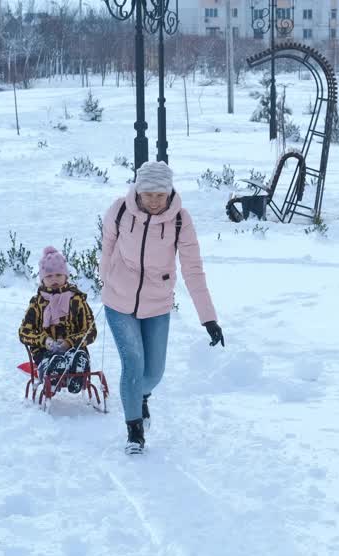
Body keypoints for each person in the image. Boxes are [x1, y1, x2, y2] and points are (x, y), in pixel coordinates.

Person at [102, 160, 224, 455]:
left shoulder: (180, 220)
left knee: (153, 372)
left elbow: (193, 270)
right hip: (119, 302)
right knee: (133, 364)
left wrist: (208, 318)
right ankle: (135, 432)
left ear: (169, 192)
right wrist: (107, 278)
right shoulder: (119, 210)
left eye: (160, 194)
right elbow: (107, 245)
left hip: (157, 304)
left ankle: (141, 395)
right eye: (148, 194)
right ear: (138, 190)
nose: (155, 201)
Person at [19, 247, 98, 393]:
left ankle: (77, 372)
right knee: (52, 359)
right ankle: (53, 372)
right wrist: (45, 341)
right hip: (45, 351)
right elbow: (24, 332)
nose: (54, 279)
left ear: (66, 276)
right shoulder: (37, 303)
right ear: (42, 279)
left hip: (74, 349)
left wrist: (70, 342)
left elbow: (91, 331)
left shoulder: (76, 300)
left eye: (58, 275)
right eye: (49, 276)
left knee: (76, 354)